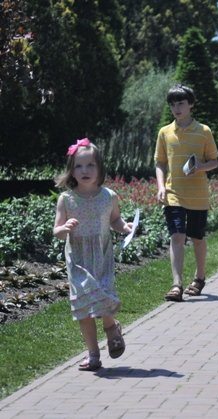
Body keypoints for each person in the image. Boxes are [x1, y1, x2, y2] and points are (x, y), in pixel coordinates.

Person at [53, 138, 133, 371]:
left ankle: (111, 329)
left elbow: (115, 220)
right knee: (84, 309)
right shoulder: (66, 199)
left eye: (90, 165)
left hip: (101, 255)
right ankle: (93, 354)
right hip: (78, 259)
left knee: (102, 296)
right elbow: (56, 231)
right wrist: (65, 227)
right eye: (79, 166)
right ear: (71, 169)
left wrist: (125, 227)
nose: (85, 171)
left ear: (100, 168)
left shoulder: (109, 196)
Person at [155, 84, 218, 301]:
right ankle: (176, 284)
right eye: (173, 104)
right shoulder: (165, 132)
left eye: (181, 103)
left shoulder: (204, 131)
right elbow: (160, 163)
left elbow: (214, 162)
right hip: (174, 194)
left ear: (191, 104)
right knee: (177, 236)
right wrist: (161, 187)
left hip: (198, 196)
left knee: (197, 238)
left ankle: (199, 278)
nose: (177, 108)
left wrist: (199, 167)